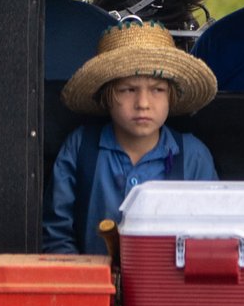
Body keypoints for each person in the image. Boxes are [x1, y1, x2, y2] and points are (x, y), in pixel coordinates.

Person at [41, 23, 219, 255]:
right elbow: (56, 232)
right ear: (106, 96)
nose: (143, 103)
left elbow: (211, 234)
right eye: (128, 90)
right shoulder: (80, 147)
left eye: (157, 90)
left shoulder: (193, 156)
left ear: (171, 97)